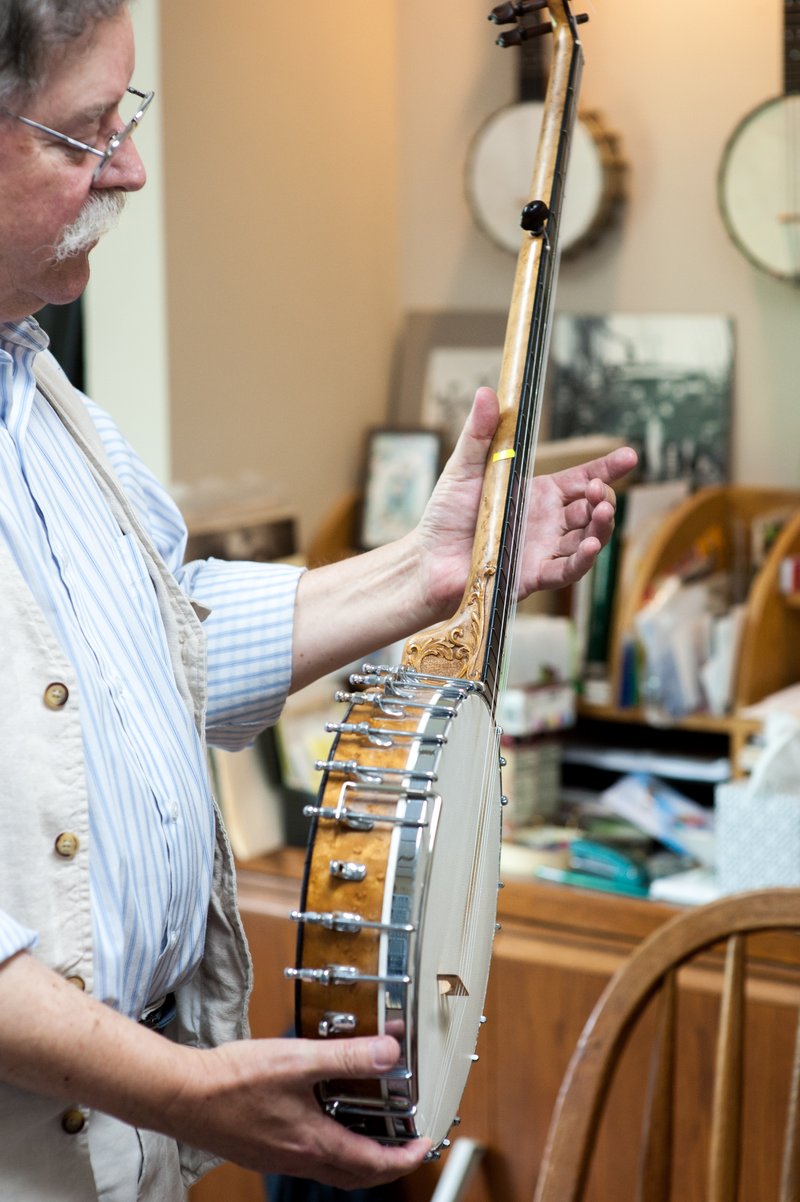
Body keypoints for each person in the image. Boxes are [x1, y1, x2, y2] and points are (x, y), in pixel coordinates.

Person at [0, 2, 638, 1200]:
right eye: (83, 134)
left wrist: (425, 567)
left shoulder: (47, 400)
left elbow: (166, 648)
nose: (130, 168)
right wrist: (185, 1086)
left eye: (123, 118)